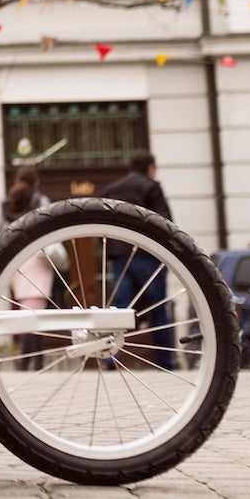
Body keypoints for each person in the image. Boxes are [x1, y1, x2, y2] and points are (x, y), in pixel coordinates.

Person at [98, 152, 174, 367]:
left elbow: (101, 223)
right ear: (150, 167)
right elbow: (164, 221)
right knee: (157, 308)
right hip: (147, 256)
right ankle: (165, 360)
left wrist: (107, 253)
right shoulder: (151, 187)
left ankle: (111, 357)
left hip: (120, 257)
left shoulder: (112, 190)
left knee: (121, 307)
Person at [0, 165, 52, 365]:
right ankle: (30, 358)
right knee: (36, 311)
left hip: (18, 261)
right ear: (36, 182)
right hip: (38, 257)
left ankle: (32, 358)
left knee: (27, 310)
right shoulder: (41, 201)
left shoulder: (8, 205)